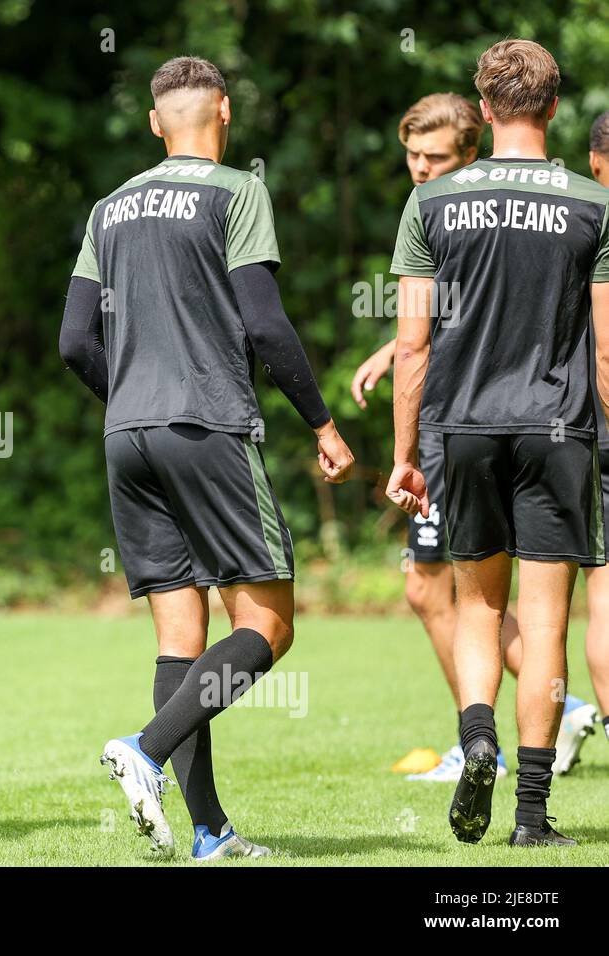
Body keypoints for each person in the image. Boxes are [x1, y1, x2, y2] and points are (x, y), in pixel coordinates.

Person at [61, 56, 354, 859]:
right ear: (223, 111)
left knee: (179, 639)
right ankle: (145, 750)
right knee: (269, 625)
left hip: (128, 437)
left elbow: (73, 341)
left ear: (157, 122)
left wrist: (128, 402)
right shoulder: (237, 190)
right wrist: (323, 423)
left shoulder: (110, 206)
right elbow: (264, 323)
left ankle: (211, 833)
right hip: (208, 427)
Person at [387, 39, 609, 847]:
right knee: (543, 624)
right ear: (553, 108)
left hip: (465, 429)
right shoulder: (594, 202)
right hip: (560, 431)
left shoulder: (433, 204)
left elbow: (412, 346)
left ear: (483, 109)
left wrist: (406, 454)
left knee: (477, 606)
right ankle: (532, 818)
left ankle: (476, 735)